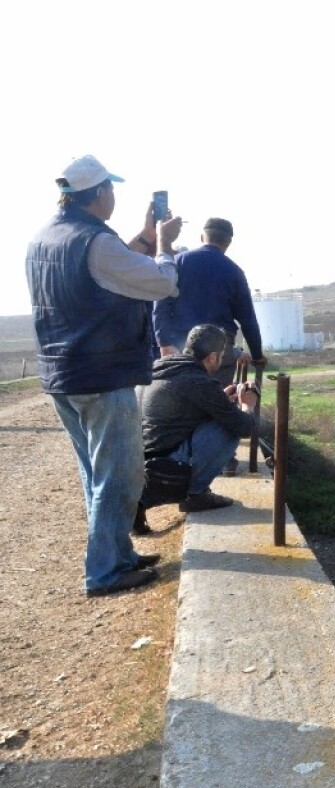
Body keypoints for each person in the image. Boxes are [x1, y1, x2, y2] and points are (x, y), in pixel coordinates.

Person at [26, 154, 183, 596]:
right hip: (100, 375)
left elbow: (101, 273)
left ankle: (119, 554)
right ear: (98, 195)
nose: (114, 195)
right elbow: (160, 283)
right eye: (110, 189)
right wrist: (165, 245)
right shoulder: (95, 241)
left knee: (96, 473)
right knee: (120, 474)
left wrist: (142, 237)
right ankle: (105, 571)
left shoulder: (44, 239)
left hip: (63, 374)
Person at [139, 324, 259, 515]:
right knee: (228, 428)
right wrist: (248, 405)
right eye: (221, 355)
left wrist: (220, 398)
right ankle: (195, 494)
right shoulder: (199, 380)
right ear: (212, 357)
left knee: (221, 418)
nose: (221, 360)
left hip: (142, 464)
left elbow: (180, 409)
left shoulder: (163, 367)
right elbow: (244, 427)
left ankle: (150, 497)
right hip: (167, 470)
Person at [153, 217, 264, 388]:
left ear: (202, 237)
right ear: (228, 242)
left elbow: (161, 302)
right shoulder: (234, 272)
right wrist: (257, 355)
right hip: (218, 352)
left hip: (181, 347)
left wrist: (164, 342)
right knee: (217, 401)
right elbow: (248, 319)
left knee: (180, 402)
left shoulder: (177, 263)